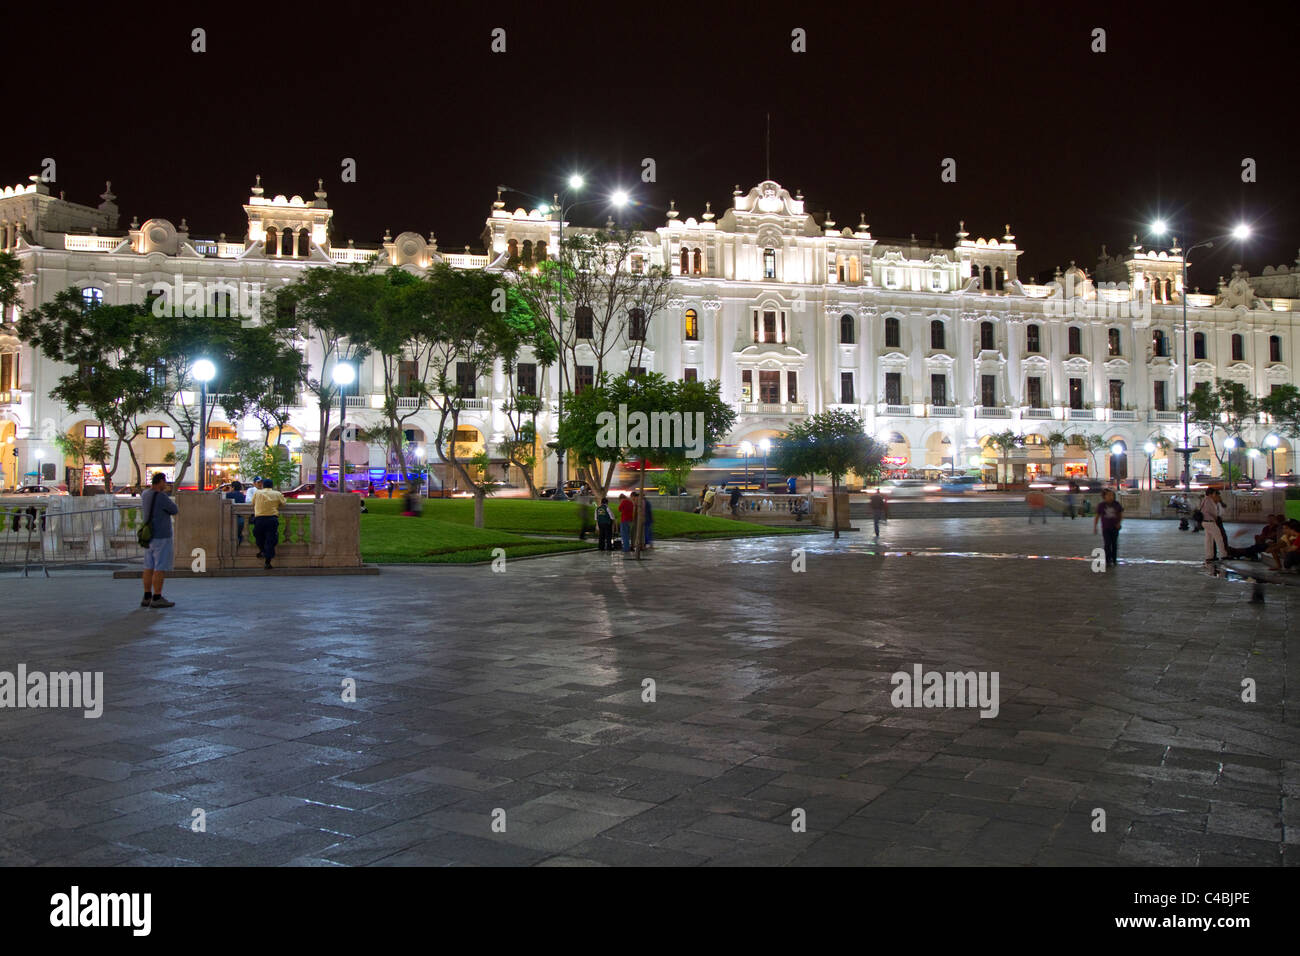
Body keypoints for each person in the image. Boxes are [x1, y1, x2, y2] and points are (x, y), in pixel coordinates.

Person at [139, 471, 179, 608]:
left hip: (148, 535)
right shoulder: (161, 496)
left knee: (148, 566)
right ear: (160, 481)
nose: (166, 484)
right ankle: (157, 596)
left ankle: (146, 595)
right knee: (159, 567)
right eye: (165, 482)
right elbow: (174, 509)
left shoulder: (145, 494)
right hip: (161, 534)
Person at [251, 477, 287, 570]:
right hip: (272, 519)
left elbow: (252, 503)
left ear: (263, 485)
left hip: (259, 519)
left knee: (258, 536)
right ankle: (267, 561)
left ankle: (262, 551)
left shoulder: (257, 493)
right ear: (272, 486)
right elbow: (283, 503)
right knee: (270, 540)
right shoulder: (277, 494)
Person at [1093, 487, 1123, 568]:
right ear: (1104, 496)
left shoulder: (1117, 504)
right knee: (1107, 544)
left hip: (1115, 527)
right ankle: (1107, 559)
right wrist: (1095, 527)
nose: (1111, 497)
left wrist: (1119, 523)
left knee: (1114, 544)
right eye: (1109, 495)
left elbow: (1120, 515)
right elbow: (1097, 516)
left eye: (1112, 495)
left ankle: (1114, 559)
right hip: (1106, 528)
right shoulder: (1101, 505)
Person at [1200, 488, 1226, 564]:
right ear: (1212, 493)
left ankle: (1209, 556)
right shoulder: (1209, 500)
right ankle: (1223, 554)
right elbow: (1213, 511)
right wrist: (1216, 517)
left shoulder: (1205, 500)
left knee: (1209, 539)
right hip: (1210, 521)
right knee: (1219, 538)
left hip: (1205, 521)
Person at [224, 480, 247, 544]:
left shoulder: (228, 495)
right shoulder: (242, 496)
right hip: (242, 518)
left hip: (231, 518)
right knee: (239, 534)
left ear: (233, 487)